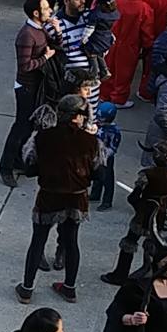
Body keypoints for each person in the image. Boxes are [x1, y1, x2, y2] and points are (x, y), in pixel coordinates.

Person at [18, 94, 99, 304]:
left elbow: (29, 167)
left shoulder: (42, 136)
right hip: (77, 198)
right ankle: (69, 288)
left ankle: (27, 289)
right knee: (71, 241)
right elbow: (99, 172)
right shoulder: (91, 141)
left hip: (48, 196)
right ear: (79, 116)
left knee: (38, 241)